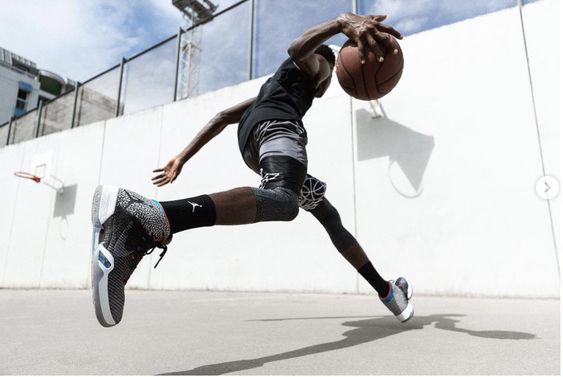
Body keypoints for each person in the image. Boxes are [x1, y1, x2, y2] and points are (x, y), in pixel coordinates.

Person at [91, 12, 412, 328]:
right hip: (278, 132)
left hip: (255, 144)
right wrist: (341, 25)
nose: (328, 81)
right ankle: (148, 216)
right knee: (284, 202)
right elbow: (298, 49)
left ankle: (388, 292)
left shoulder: (273, 89)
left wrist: (182, 157)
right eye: (330, 74)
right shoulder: (314, 66)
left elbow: (221, 117)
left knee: (327, 214)